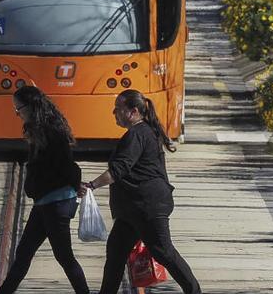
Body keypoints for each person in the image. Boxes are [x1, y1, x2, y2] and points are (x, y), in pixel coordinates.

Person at [82, 89, 201, 294]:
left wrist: (92, 185)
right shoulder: (142, 132)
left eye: (118, 108)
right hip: (132, 209)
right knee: (116, 253)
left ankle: (194, 290)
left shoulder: (138, 134)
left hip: (147, 206)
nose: (114, 113)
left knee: (163, 252)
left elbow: (118, 170)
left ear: (133, 111)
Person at [0, 86, 89, 294]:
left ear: (30, 108)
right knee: (24, 251)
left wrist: (75, 185)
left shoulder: (51, 132)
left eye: (18, 109)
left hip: (56, 202)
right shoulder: (42, 129)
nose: (17, 114)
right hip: (46, 201)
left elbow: (65, 164)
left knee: (64, 256)